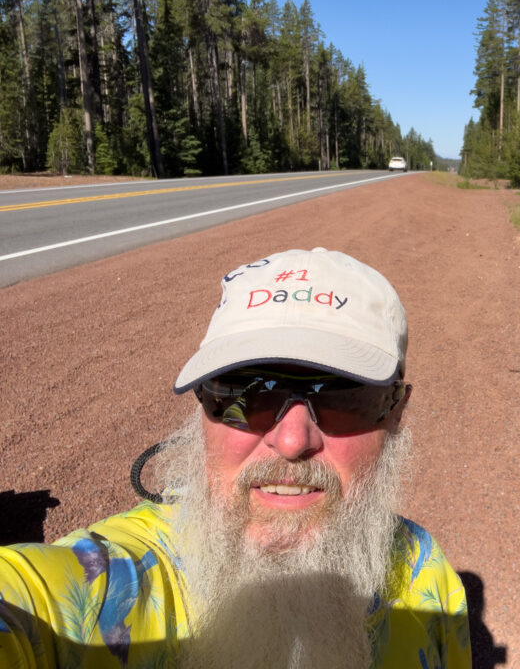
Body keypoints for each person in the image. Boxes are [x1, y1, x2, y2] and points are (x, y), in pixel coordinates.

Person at [0, 248, 471, 669]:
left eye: (346, 397)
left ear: (397, 413)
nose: (292, 441)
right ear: (202, 407)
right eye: (243, 394)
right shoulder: (100, 585)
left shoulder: (426, 576)